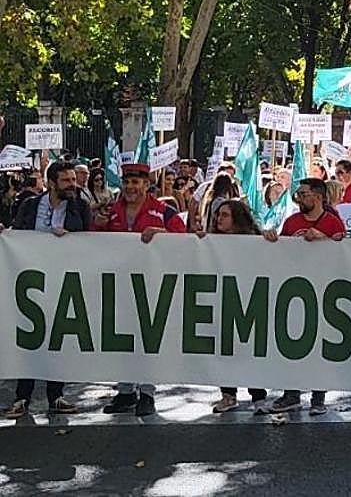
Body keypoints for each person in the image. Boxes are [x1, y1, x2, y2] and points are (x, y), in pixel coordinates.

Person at [94, 162, 187, 416]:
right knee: (122, 339)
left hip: (152, 286)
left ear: (147, 185)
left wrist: (162, 233)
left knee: (147, 340)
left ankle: (147, 393)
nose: (130, 187)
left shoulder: (164, 212)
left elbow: (186, 240)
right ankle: (125, 392)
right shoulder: (111, 212)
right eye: (127, 182)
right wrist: (99, 225)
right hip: (119, 285)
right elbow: (94, 244)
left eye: (136, 182)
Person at [2, 160, 91, 418]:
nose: (73, 185)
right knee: (29, 337)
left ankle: (57, 395)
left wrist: (71, 237)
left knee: (58, 339)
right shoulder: (29, 206)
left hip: (64, 283)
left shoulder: (80, 208)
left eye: (73, 179)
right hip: (31, 282)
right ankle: (22, 397)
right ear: (51, 183)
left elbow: (90, 241)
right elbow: (17, 235)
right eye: (66, 180)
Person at [260, 178, 346, 415]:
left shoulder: (332, 222)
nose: (298, 198)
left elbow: (346, 254)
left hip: (323, 289)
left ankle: (318, 397)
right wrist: (270, 238)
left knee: (320, 344)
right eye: (298, 194)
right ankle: (291, 394)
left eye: (303, 194)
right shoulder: (291, 222)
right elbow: (282, 249)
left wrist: (325, 240)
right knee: (291, 343)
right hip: (294, 290)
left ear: (317, 197)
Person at [203, 201, 269, 413]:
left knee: (249, 350)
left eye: (224, 215)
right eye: (218, 215)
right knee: (225, 350)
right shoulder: (211, 242)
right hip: (222, 301)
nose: (218, 219)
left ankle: (258, 397)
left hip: (249, 302)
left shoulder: (255, 241)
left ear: (237, 219)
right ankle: (228, 395)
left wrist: (271, 239)